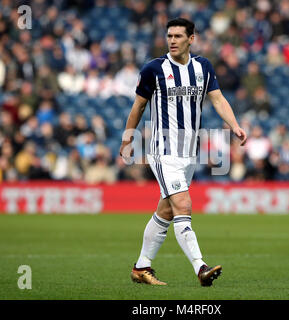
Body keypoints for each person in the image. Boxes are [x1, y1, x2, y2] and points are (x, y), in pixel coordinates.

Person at [119, 18, 247, 286]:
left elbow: (218, 99)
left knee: (166, 210)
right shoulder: (153, 69)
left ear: (192, 38)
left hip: (190, 153)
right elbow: (139, 106)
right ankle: (201, 268)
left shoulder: (203, 67)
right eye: (169, 36)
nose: (172, 40)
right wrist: (128, 137)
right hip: (163, 151)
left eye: (178, 36)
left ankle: (141, 267)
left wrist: (234, 125)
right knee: (183, 204)